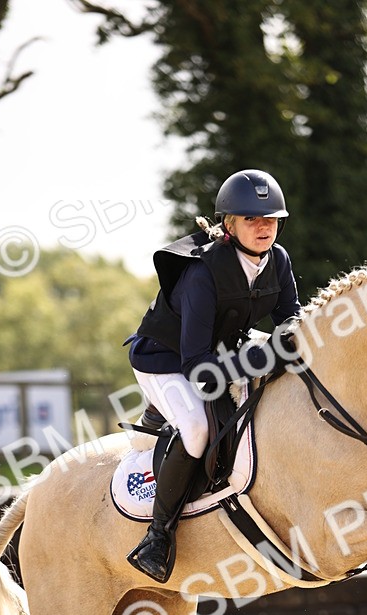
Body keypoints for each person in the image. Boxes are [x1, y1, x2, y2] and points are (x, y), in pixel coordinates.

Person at [125, 168, 302, 583]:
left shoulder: (278, 259)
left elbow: (291, 318)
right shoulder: (203, 273)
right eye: (252, 219)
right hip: (167, 361)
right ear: (229, 224)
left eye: (271, 219)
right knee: (197, 429)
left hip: (220, 347)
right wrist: (266, 357)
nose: (264, 228)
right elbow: (199, 370)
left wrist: (294, 343)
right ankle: (157, 536)